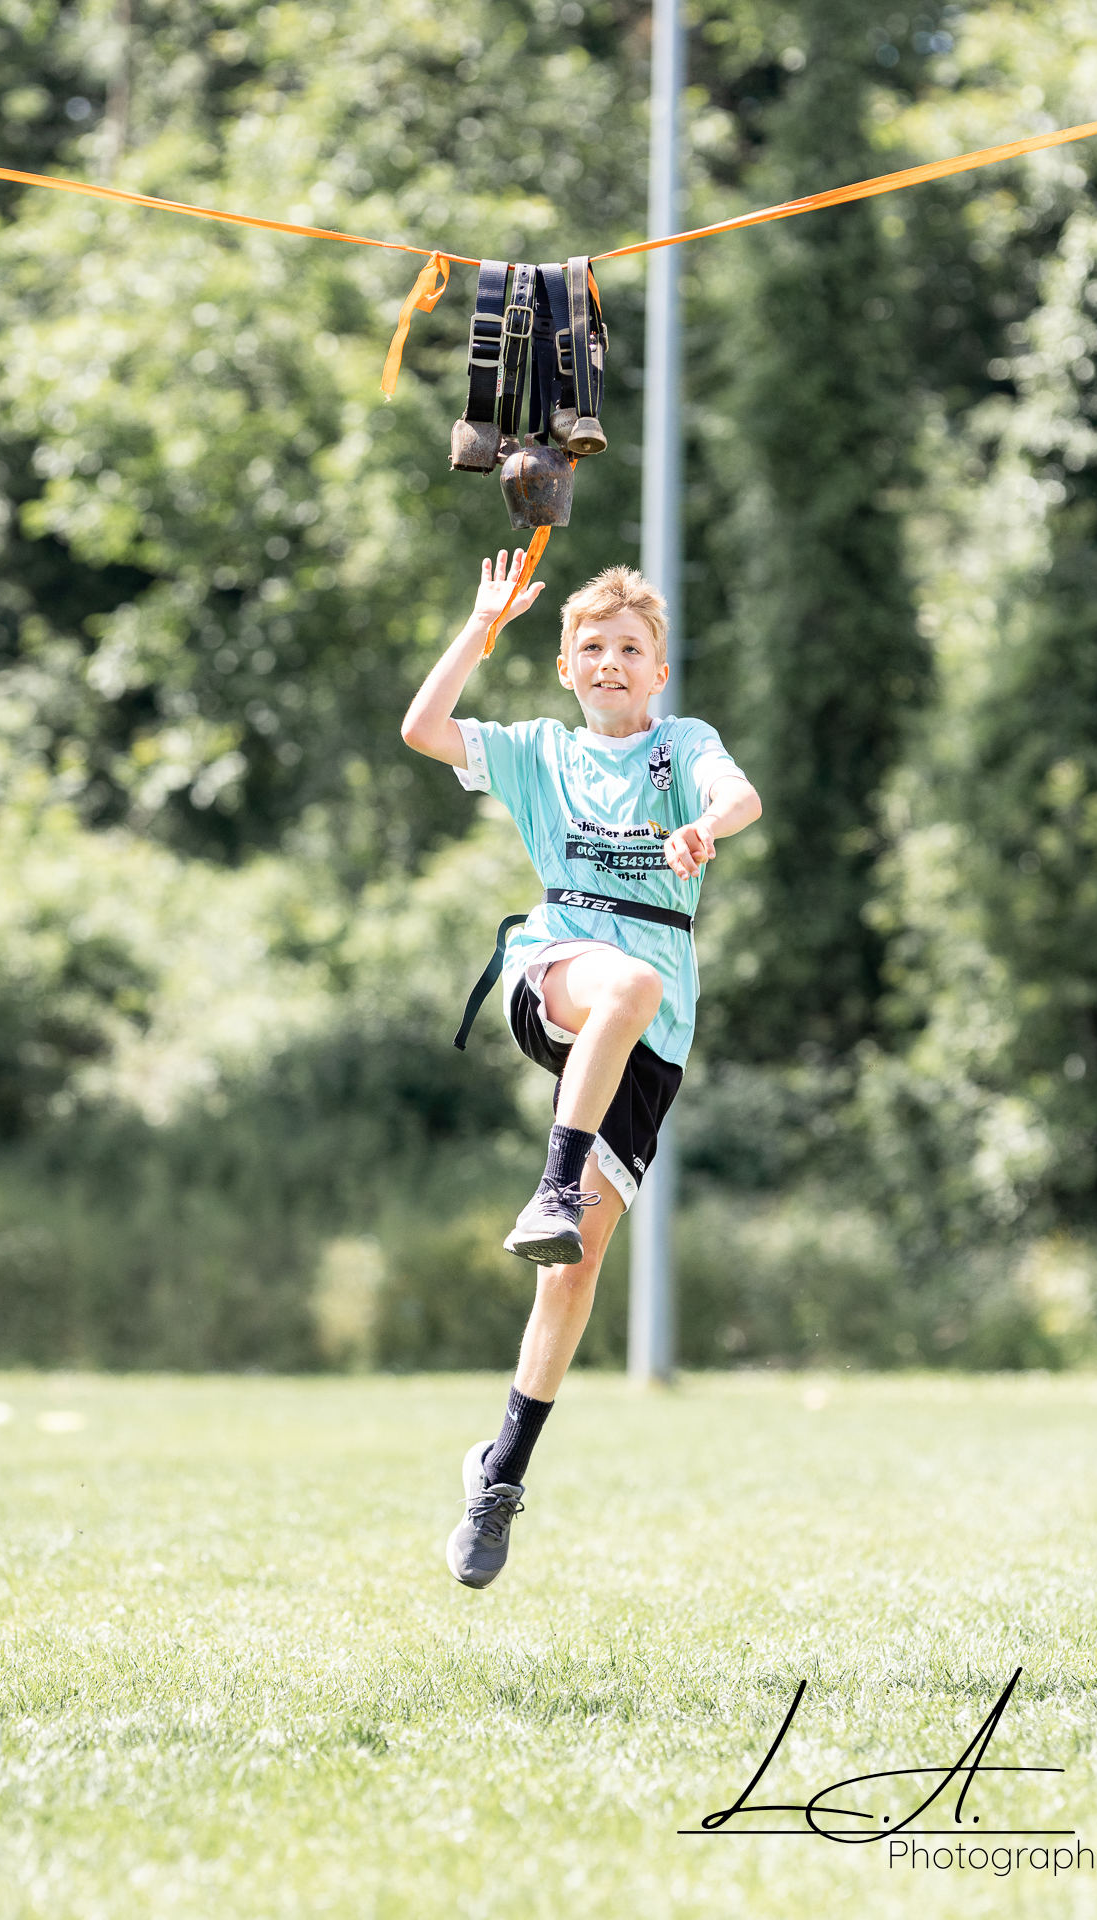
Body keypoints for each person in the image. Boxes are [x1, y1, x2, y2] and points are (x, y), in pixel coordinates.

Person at [401, 549, 762, 1588]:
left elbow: (739, 796)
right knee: (623, 985)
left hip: (651, 1034)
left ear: (658, 671)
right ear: (565, 667)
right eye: (592, 647)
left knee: (574, 1268)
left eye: (630, 649)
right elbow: (423, 729)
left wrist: (703, 827)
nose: (611, 661)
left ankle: (499, 1474)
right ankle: (553, 1184)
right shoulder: (539, 752)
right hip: (556, 968)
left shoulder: (681, 747)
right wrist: (481, 626)